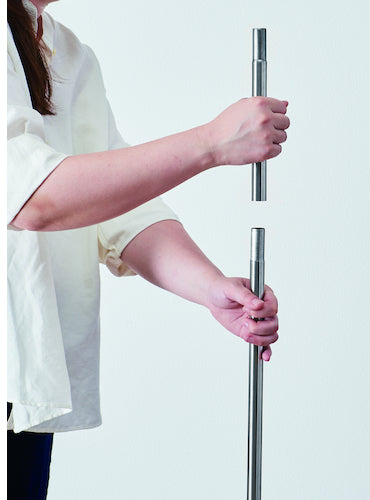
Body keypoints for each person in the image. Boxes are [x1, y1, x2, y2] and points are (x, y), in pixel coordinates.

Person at [7, 0, 290, 497]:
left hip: (26, 387)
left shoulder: (66, 52)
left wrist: (212, 290)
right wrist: (212, 143)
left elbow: (118, 208)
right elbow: (32, 196)